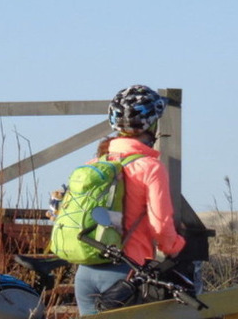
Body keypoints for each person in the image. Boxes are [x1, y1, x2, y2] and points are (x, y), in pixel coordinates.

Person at [73, 85, 187, 315]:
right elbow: (161, 226)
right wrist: (176, 247)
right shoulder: (150, 168)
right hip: (125, 274)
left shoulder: (94, 164)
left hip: (85, 272)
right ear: (153, 124)